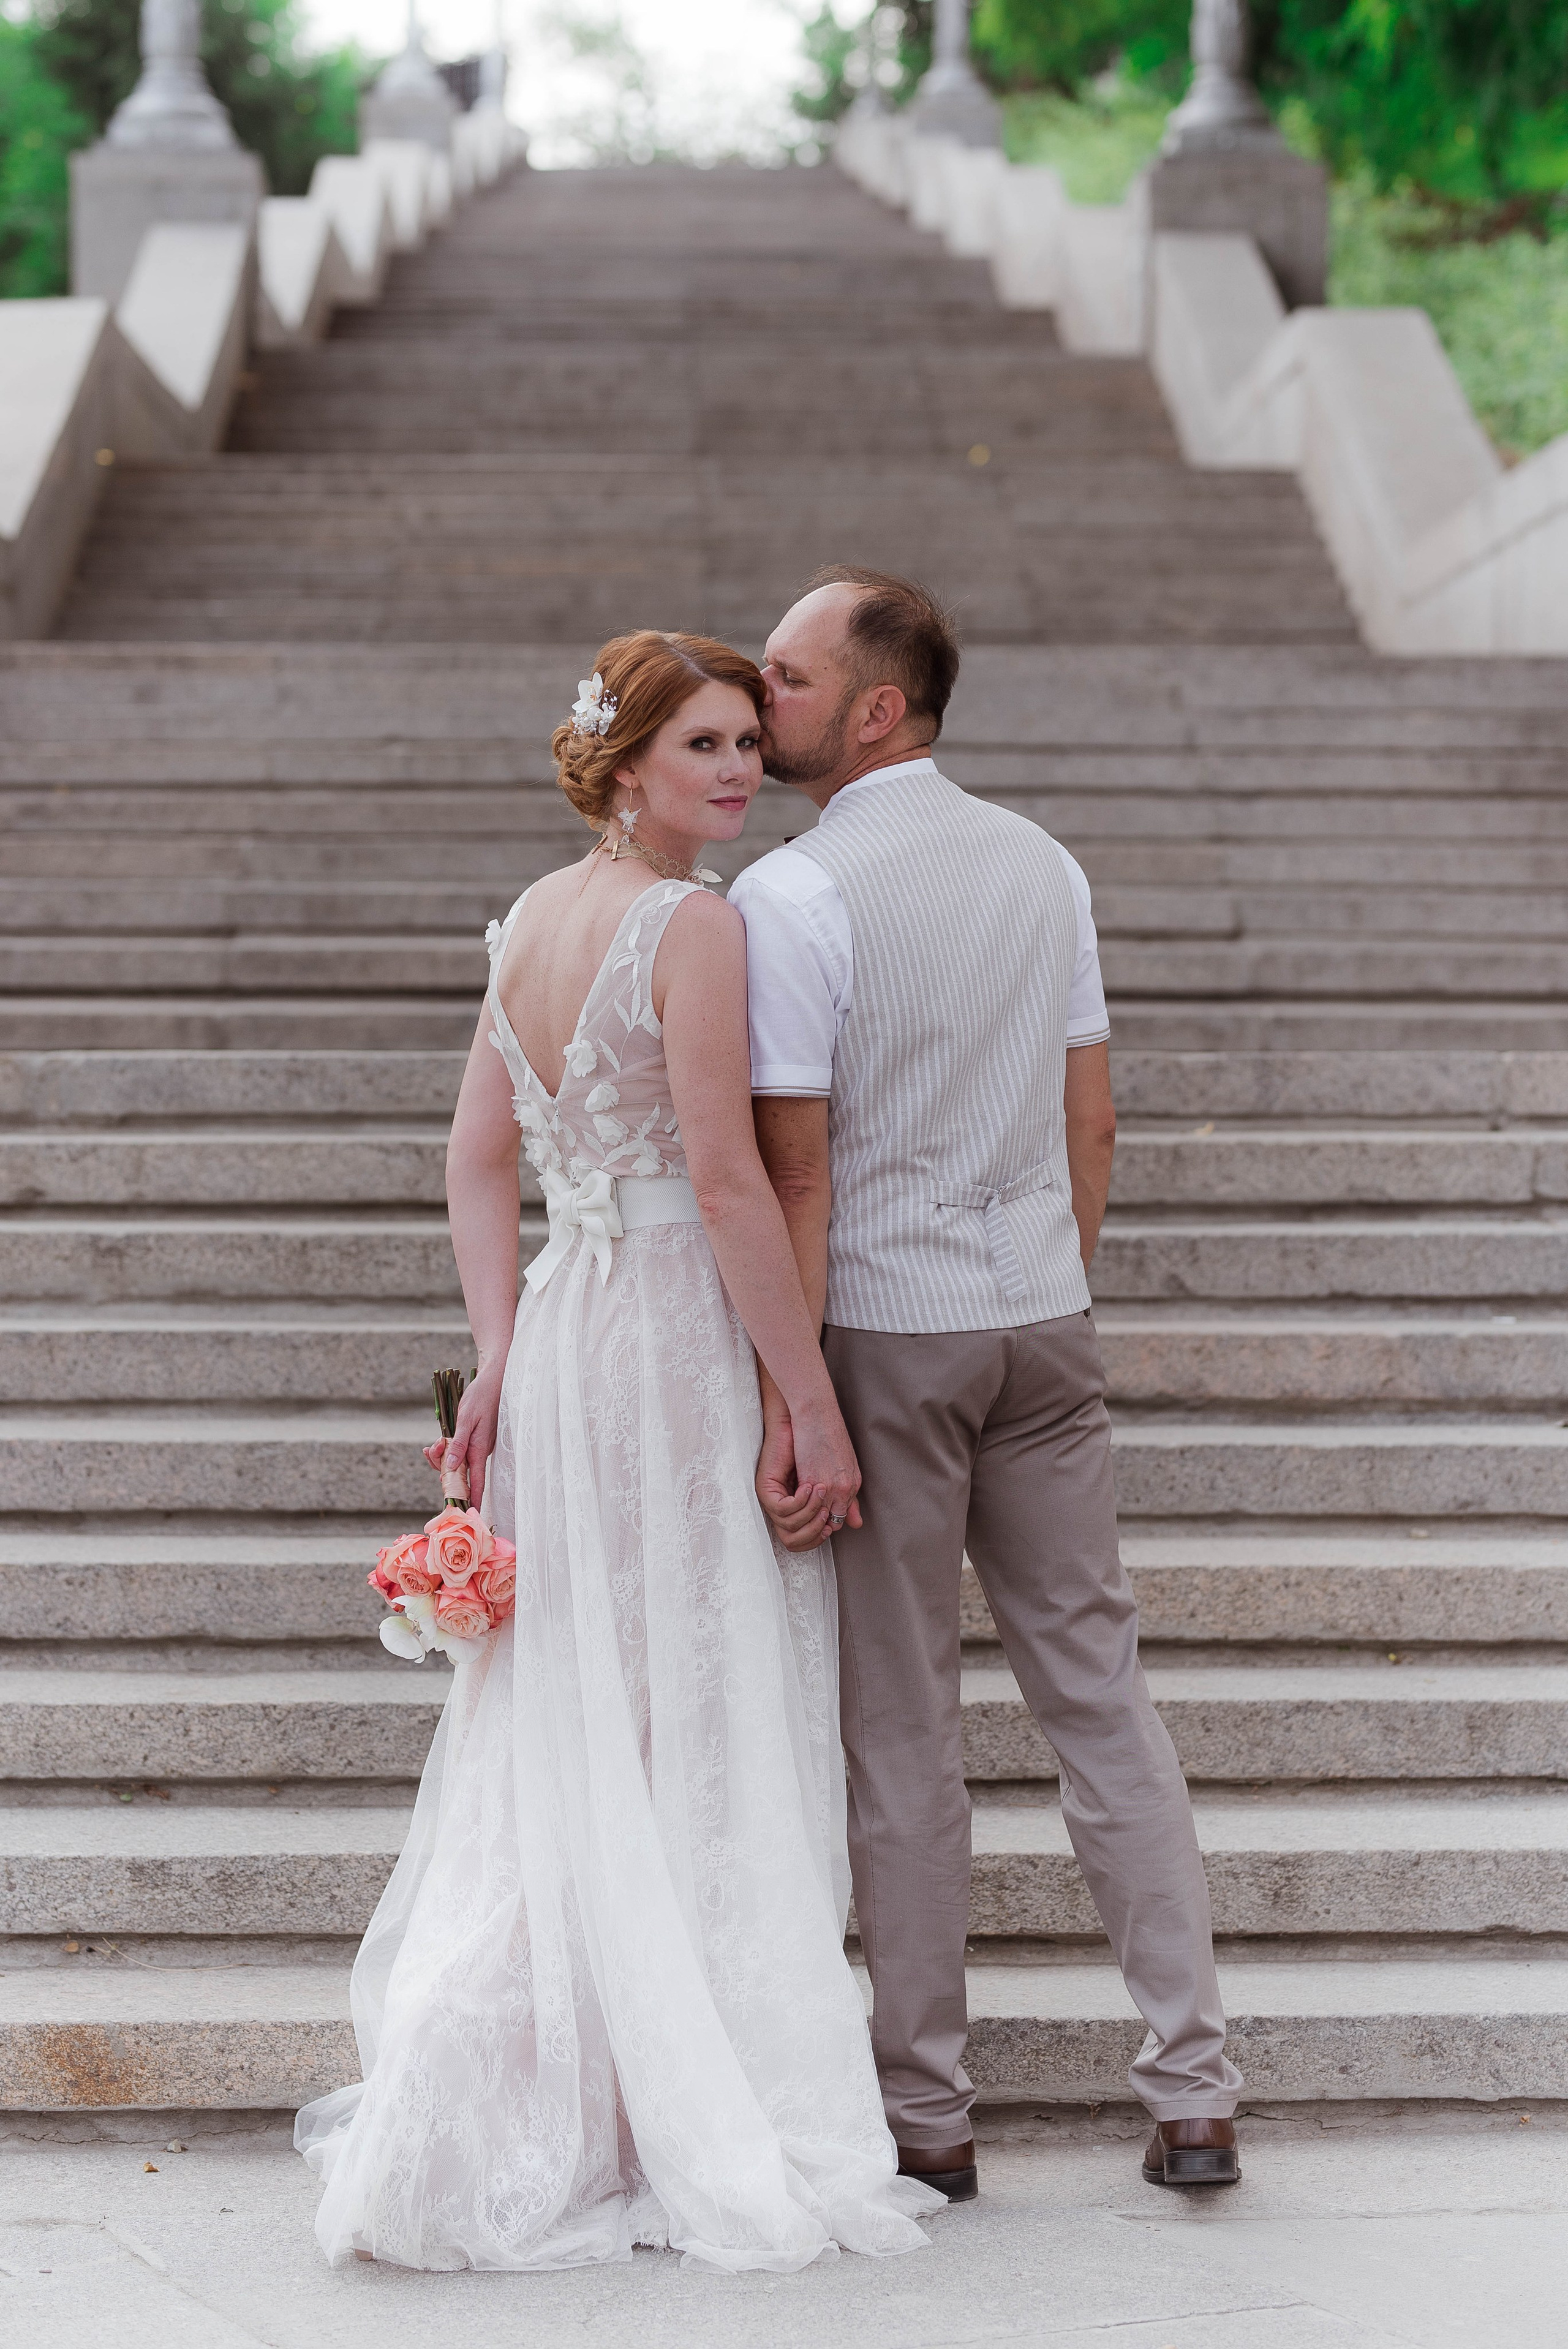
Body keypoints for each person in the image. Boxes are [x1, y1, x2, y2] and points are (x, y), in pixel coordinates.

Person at [295, 630, 941, 2271]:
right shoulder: (692, 925)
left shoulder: (528, 922)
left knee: (585, 1698)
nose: (739, 769)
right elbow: (730, 1184)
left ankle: (551, 2077)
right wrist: (804, 1400)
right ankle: (672, 2084)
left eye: (748, 740)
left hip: (574, 1335)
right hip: (659, 1337)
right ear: (632, 763)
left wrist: (505, 1347)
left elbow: (471, 1160)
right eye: (707, 746)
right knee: (688, 1693)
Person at [731, 567, 1243, 2200]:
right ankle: (1197, 2088)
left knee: (905, 1731)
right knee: (1104, 1699)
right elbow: (1094, 1118)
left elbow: (796, 1174)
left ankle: (931, 2118)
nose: (763, 700)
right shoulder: (1047, 862)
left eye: (791, 677)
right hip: (1039, 1317)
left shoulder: (790, 895)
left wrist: (793, 1389)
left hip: (886, 1326)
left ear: (877, 707)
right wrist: (1050, 1273)